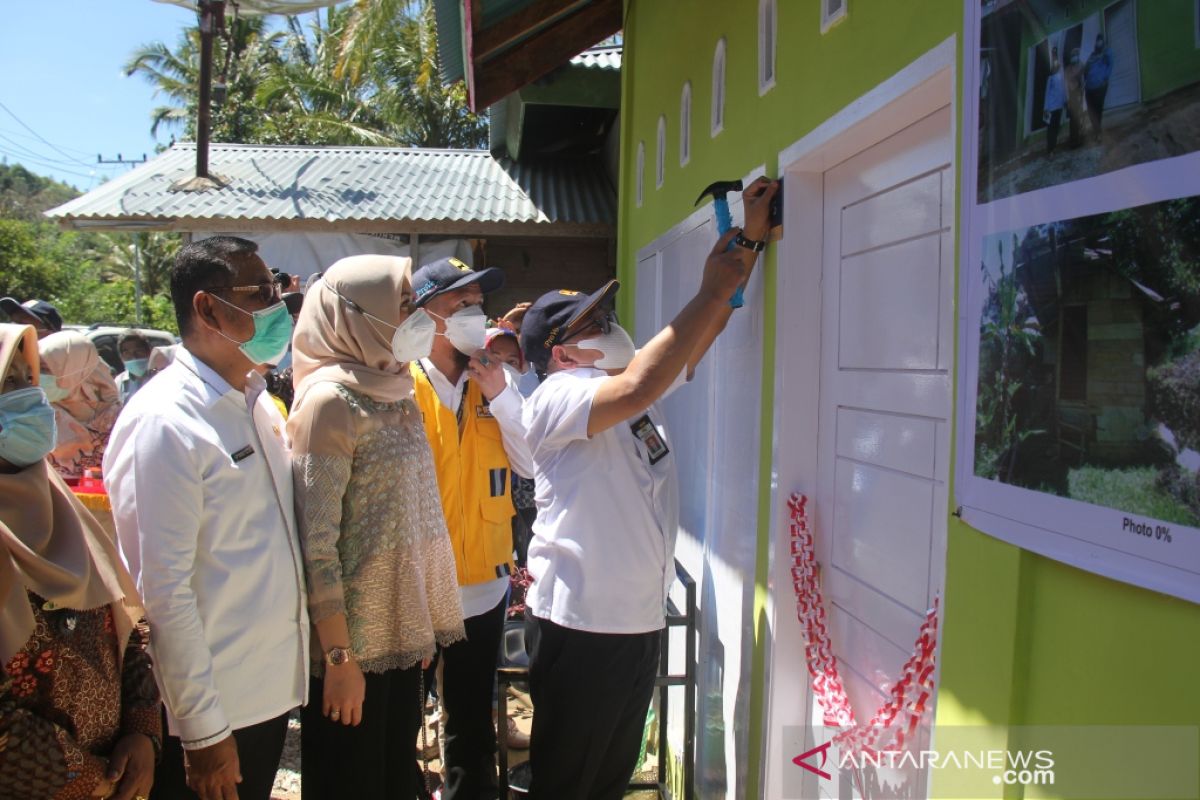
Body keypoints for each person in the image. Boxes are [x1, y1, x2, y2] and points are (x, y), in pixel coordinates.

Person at [517, 177, 777, 800]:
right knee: (568, 783)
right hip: (581, 627)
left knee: (607, 776)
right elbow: (639, 383)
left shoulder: (623, 394)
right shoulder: (556, 398)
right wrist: (710, 288)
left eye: (607, 313)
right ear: (558, 354)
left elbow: (691, 344)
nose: (610, 323)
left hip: (631, 622)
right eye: (594, 322)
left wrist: (747, 246)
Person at [104, 236, 309, 800]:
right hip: (211, 713)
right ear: (207, 308)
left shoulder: (257, 401)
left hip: (264, 694)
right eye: (260, 291)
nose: (277, 305)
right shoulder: (165, 422)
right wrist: (202, 731)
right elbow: (164, 591)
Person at [287, 254, 465, 799]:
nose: (415, 317)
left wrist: (423, 619)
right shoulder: (328, 404)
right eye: (405, 304)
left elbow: (415, 516)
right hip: (352, 649)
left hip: (401, 637)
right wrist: (339, 659)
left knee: (393, 778)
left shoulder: (396, 387)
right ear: (358, 315)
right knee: (353, 781)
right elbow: (317, 545)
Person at [0, 322, 162, 800]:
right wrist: (88, 780)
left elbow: (126, 625)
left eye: (27, 381)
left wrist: (142, 729)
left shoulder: (59, 506)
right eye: (7, 384)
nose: (29, 397)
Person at [408, 256, 535, 798]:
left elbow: (531, 463)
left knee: (471, 727)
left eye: (477, 305)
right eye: (459, 304)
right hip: (412, 589)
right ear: (425, 316)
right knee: (398, 727)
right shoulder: (400, 385)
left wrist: (503, 395)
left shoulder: (496, 386)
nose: (473, 315)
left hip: (483, 586)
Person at [39, 330, 121, 481]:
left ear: (75, 370)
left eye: (45, 369)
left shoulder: (118, 421)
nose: (38, 377)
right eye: (35, 369)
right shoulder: (38, 414)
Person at [1084, 33, 1112, 142]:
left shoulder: (1107, 52)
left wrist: (1105, 78)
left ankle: (1098, 133)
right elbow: (1086, 68)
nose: (1098, 42)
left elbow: (1110, 65)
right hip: (1088, 88)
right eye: (1097, 40)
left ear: (1103, 41)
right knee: (1091, 111)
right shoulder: (1092, 55)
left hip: (1100, 87)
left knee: (1097, 109)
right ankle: (1096, 130)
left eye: (1100, 40)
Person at [116, 331, 154, 403]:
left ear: (149, 352)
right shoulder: (119, 382)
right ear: (121, 357)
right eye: (127, 353)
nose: (134, 357)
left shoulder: (160, 378)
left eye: (138, 351)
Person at [1043, 46, 1066, 154]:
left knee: (1056, 128)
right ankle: (1050, 149)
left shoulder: (1061, 76)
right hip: (1051, 107)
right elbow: (1047, 94)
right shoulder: (1050, 78)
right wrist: (1046, 108)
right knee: (1051, 129)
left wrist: (1064, 101)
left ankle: (1053, 147)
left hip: (1059, 106)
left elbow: (1063, 90)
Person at [1065, 47, 1086, 148]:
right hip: (1072, 95)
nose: (1074, 57)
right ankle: (1074, 141)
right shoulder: (1068, 69)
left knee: (1079, 117)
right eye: (1073, 55)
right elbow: (1069, 81)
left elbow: (1083, 80)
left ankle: (1078, 139)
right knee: (1073, 120)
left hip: (1079, 94)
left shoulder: (1080, 65)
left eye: (1076, 55)